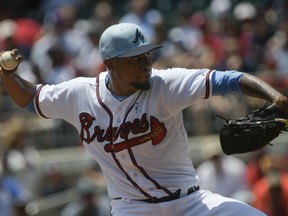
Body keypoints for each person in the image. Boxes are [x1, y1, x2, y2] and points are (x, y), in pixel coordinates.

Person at [1, 22, 288, 216]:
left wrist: (276, 97)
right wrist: (7, 75)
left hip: (190, 203)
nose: (145, 63)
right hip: (132, 209)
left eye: (146, 55)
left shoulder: (165, 84)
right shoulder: (79, 94)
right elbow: (30, 98)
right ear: (110, 64)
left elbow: (230, 80)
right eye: (135, 58)